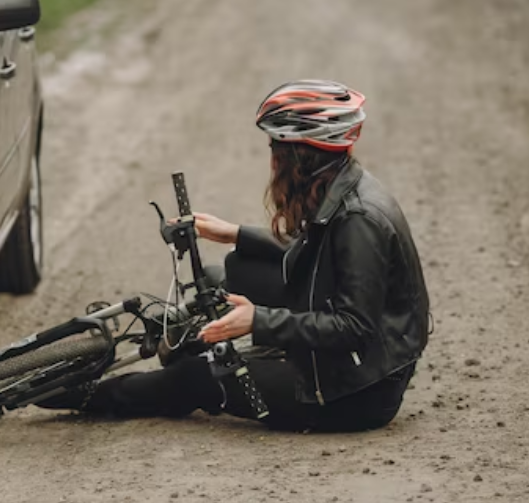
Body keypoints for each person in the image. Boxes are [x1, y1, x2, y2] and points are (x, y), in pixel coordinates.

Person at [39, 80, 431, 432]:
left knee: (195, 377)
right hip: (352, 364)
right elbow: (312, 256)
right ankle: (202, 343)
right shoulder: (341, 188)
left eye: (276, 148)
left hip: (353, 393)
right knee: (233, 272)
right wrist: (235, 233)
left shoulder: (359, 221)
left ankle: (79, 396)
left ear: (301, 156)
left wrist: (259, 321)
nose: (272, 160)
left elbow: (354, 328)